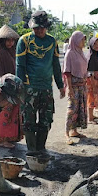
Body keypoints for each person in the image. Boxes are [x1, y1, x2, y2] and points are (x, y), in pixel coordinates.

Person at [16, 10, 65, 155]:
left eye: (41, 27)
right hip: (29, 88)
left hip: (46, 88)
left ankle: (41, 148)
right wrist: (19, 89)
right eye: (36, 27)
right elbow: (20, 66)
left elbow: (56, 65)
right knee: (29, 121)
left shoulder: (52, 41)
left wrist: (60, 85)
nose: (39, 30)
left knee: (46, 119)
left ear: (46, 27)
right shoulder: (24, 41)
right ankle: (31, 150)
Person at [0, 25, 22, 149]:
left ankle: (10, 137)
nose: (11, 42)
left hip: (11, 87)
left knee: (12, 113)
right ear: (2, 40)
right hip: (4, 88)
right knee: (4, 114)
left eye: (12, 40)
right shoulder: (0, 52)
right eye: (8, 40)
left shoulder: (9, 51)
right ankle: (3, 139)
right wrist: (2, 89)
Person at [63, 31, 88, 145]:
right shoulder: (70, 53)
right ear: (76, 40)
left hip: (82, 86)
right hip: (74, 86)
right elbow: (67, 72)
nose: (83, 42)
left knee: (79, 108)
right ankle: (67, 133)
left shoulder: (81, 53)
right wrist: (69, 88)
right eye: (82, 40)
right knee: (71, 109)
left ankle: (74, 131)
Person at [86, 37, 98, 124]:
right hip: (91, 80)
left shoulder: (95, 54)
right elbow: (90, 72)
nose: (96, 46)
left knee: (93, 97)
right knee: (91, 97)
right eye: (94, 44)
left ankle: (91, 115)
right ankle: (90, 117)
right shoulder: (91, 56)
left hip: (94, 79)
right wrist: (93, 84)